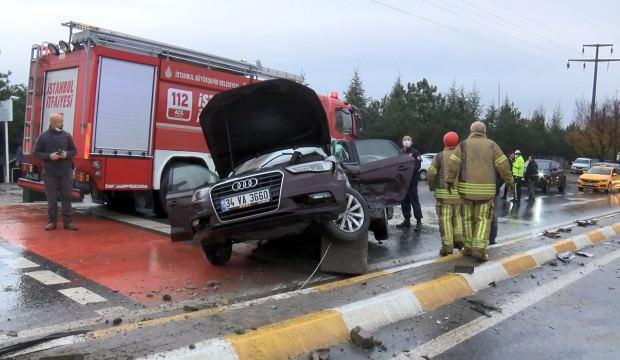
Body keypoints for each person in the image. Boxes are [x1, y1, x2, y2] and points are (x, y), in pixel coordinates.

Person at [446, 121, 513, 261]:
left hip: (466, 191)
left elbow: (453, 164)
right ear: (484, 131)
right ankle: (479, 250)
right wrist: (510, 182)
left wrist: (449, 181)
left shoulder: (463, 145)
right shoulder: (492, 145)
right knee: (483, 219)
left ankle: (469, 248)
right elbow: (504, 165)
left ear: (471, 131)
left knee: (467, 219)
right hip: (486, 192)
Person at [34, 113, 78, 230]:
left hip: (66, 171)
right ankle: (52, 222)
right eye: (59, 122)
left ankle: (68, 223)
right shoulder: (43, 137)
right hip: (50, 173)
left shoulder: (67, 136)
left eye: (62, 121)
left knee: (67, 197)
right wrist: (49, 156)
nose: (62, 124)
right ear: (53, 123)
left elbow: (74, 151)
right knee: (52, 200)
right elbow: (36, 153)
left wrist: (65, 154)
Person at [428, 131, 463, 256]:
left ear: (444, 142)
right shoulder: (462, 156)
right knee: (457, 217)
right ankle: (460, 242)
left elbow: (431, 173)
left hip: (444, 195)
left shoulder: (439, 156)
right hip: (459, 195)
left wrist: (432, 187)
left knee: (445, 220)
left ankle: (447, 247)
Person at [396, 135, 423, 231]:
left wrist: (407, 170)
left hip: (412, 182)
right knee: (404, 202)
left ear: (411, 141)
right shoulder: (400, 152)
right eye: (405, 139)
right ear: (402, 141)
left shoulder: (415, 152)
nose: (406, 141)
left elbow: (417, 166)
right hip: (402, 182)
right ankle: (406, 220)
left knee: (414, 201)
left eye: (408, 139)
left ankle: (419, 222)